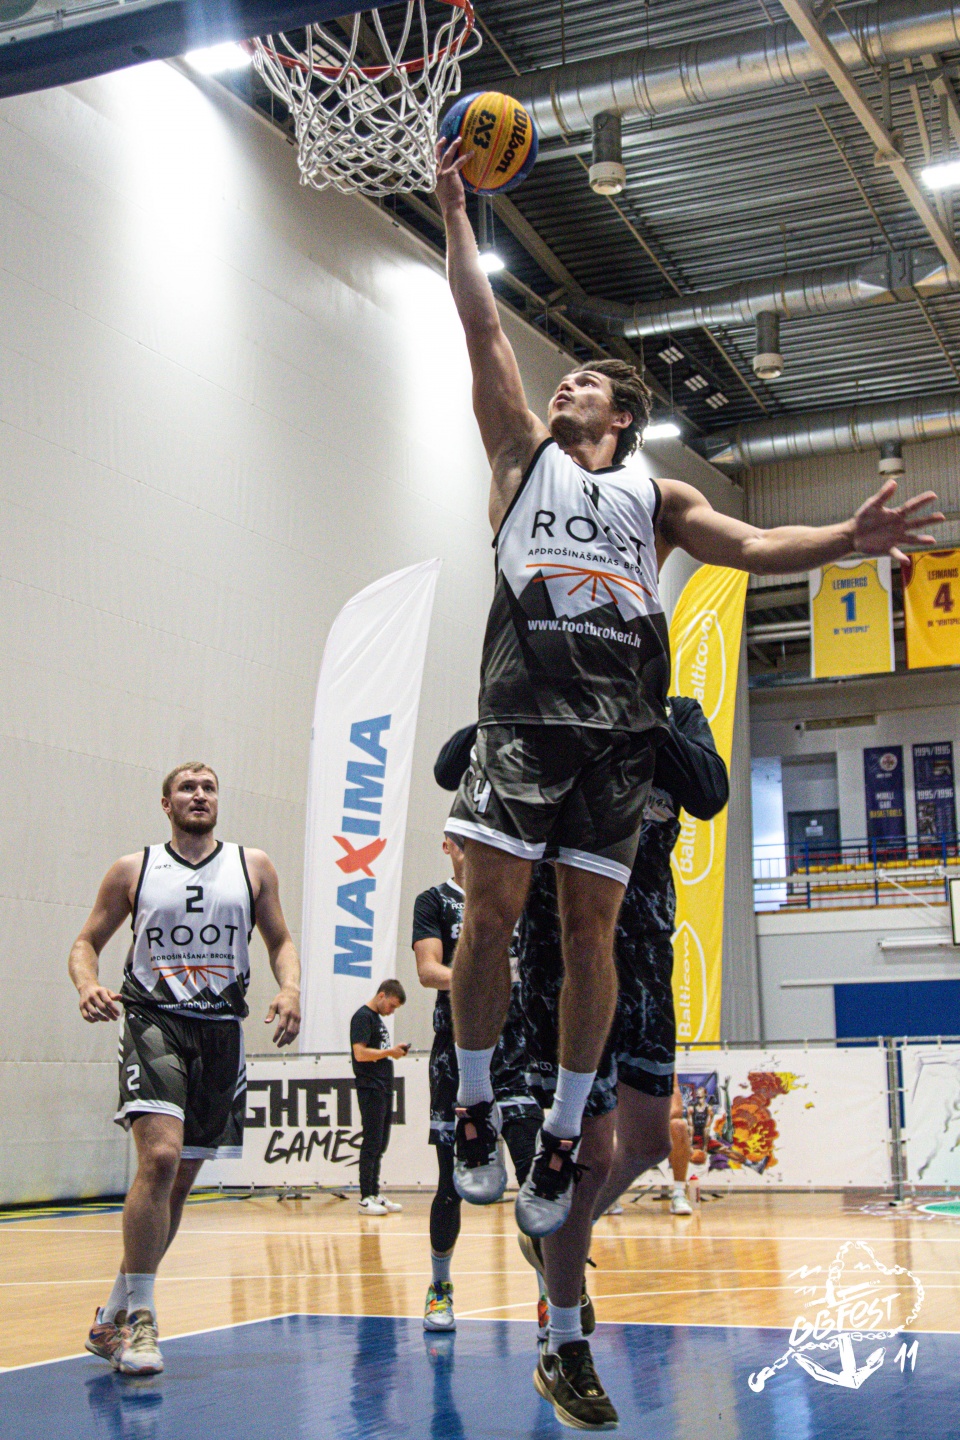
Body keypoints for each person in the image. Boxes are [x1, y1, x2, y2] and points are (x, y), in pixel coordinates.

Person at [433, 133, 943, 1250]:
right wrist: (454, 208)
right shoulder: (520, 457)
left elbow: (754, 544)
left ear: (621, 416)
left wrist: (847, 538)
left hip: (617, 741)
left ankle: (560, 1134)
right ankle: (471, 1104)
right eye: (563, 376)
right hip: (522, 723)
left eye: (587, 380)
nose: (564, 383)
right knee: (490, 915)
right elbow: (480, 325)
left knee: (592, 935)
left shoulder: (657, 500)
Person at [515, 695, 728, 1427]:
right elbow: (457, 760)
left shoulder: (676, 714)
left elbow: (710, 792)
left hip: (646, 952)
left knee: (647, 1141)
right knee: (591, 1152)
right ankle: (562, 1347)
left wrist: (643, 717)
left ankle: (547, 1231)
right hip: (566, 952)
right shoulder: (555, 703)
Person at [69, 762, 301, 1377]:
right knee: (160, 1157)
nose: (200, 795)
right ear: (166, 803)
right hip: (155, 1019)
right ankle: (143, 1320)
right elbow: (85, 942)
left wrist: (290, 988)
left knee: (177, 1182)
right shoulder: (134, 868)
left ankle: (111, 1316)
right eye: (187, 788)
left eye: (209, 788)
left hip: (221, 1030)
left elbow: (280, 940)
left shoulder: (253, 865)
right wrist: (87, 983)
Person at [413, 831, 543, 1332]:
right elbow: (428, 971)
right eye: (463, 844)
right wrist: (487, 977)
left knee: (535, 1181)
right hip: (457, 1053)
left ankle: (550, 1294)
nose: (473, 852)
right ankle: (439, 1288)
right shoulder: (434, 901)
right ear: (447, 846)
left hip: (518, 1053)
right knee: (451, 1184)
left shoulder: (521, 898)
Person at [350, 979, 409, 1215]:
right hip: (370, 1086)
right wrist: (389, 1052)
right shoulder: (362, 1017)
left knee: (380, 1143)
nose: (391, 1011)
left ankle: (374, 1192)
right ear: (381, 995)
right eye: (391, 1005)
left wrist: (392, 1052)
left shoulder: (376, 1020)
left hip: (383, 1086)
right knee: (372, 1141)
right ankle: (366, 1197)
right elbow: (360, 1053)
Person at [667, 1078, 693, 1216]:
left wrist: (652, 1119)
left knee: (678, 1125)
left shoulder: (663, 1066)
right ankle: (609, 1197)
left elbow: (676, 1109)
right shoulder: (615, 1067)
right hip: (625, 1125)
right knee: (609, 1127)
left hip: (655, 1123)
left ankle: (679, 1193)